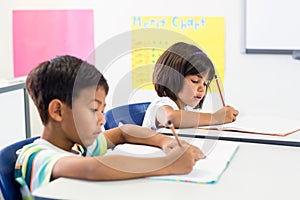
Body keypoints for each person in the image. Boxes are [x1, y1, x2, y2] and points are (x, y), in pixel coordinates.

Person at [14, 55, 205, 198]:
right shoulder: (36, 156)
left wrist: (165, 142)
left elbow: (123, 132)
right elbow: (93, 168)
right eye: (93, 109)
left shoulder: (80, 146)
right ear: (57, 111)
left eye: (102, 110)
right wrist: (168, 165)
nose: (102, 119)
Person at [142, 42, 239, 130]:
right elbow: (170, 118)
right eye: (195, 81)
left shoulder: (185, 109)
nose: (202, 89)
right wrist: (215, 118)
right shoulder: (161, 105)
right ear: (173, 77)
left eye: (205, 83)